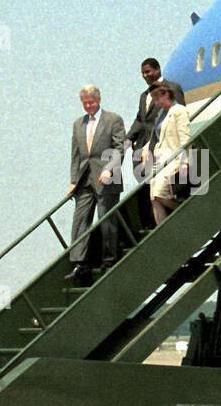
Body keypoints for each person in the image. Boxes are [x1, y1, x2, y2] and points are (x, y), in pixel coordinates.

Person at [68, 85, 126, 286]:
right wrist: (73, 180)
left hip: (106, 176)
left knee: (106, 219)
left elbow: (119, 148)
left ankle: (109, 260)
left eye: (91, 102)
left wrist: (110, 169)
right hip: (85, 179)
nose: (88, 106)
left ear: (98, 100)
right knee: (80, 219)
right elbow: (76, 154)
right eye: (84, 103)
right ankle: (79, 263)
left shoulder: (113, 120)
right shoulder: (78, 124)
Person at [127, 59, 186, 228]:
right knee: (148, 189)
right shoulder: (144, 96)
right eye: (143, 73)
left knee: (160, 189)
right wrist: (128, 139)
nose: (146, 76)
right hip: (144, 148)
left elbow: (178, 114)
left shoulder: (171, 89)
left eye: (148, 72)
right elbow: (140, 120)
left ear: (158, 70)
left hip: (163, 146)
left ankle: (174, 216)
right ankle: (155, 224)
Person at [142, 82, 193, 224]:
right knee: (153, 196)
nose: (157, 103)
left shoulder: (179, 111)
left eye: (158, 99)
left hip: (174, 158)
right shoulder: (161, 116)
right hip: (161, 160)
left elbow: (185, 137)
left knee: (159, 193)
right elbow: (156, 137)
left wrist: (185, 161)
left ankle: (184, 213)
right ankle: (162, 229)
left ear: (166, 94)